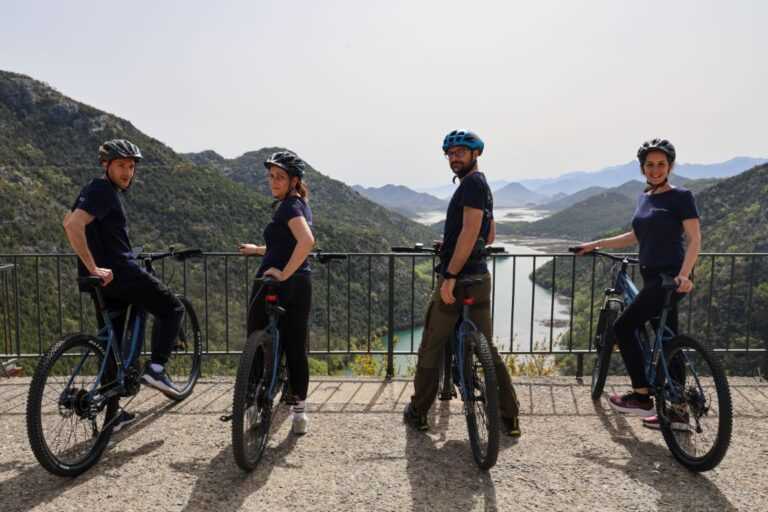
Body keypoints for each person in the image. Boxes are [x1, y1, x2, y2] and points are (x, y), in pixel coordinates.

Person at [574, 138, 701, 431]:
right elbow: (635, 235)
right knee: (667, 339)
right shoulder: (646, 197)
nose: (655, 170)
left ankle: (641, 396)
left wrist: (684, 274)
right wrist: (596, 243)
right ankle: (678, 412)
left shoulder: (681, 197)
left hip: (669, 278)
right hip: (651, 277)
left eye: (661, 164)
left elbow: (694, 238)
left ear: (670, 166)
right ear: (643, 168)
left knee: (623, 327)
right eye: (650, 165)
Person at [403, 130, 521, 437]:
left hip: (459, 279)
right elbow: (488, 235)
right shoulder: (484, 187)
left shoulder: (470, 185)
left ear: (475, 154)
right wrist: (453, 240)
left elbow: (470, 233)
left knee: (432, 344)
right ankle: (509, 418)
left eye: (460, 152)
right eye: (450, 153)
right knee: (488, 350)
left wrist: (451, 276)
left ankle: (419, 411)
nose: (454, 158)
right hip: (480, 276)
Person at [63, 139, 186, 431]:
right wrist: (95, 265)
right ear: (106, 165)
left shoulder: (97, 190)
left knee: (111, 346)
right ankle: (156, 369)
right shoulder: (102, 190)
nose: (127, 172)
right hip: (120, 274)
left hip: (99, 281)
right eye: (121, 165)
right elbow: (72, 225)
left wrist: (91, 268)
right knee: (172, 308)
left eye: (131, 167)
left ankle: (112, 416)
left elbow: (79, 225)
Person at [239, 151, 315, 435]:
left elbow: (306, 241)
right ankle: (299, 415)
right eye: (271, 176)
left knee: (256, 341)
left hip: (275, 282)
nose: (274, 181)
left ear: (294, 180)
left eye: (280, 177)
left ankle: (251, 405)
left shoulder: (287, 207)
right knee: (295, 346)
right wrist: (258, 250)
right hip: (301, 284)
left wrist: (283, 273)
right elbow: (288, 243)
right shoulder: (300, 204)